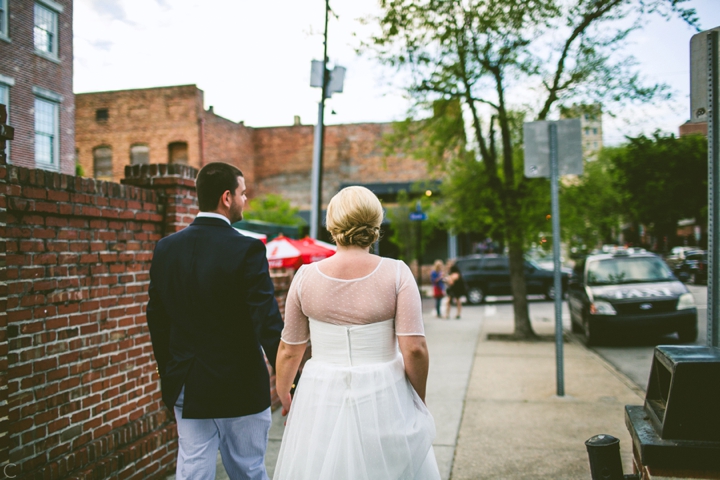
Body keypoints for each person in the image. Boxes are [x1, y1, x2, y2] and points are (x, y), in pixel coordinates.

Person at [273, 186, 440, 480]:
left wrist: (284, 391)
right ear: (375, 223)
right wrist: (417, 399)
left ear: (332, 223)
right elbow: (414, 348)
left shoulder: (305, 277)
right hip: (384, 390)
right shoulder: (397, 273)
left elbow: (290, 349)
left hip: (320, 391)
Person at [147, 162, 283, 480]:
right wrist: (287, 376)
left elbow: (157, 317)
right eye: (242, 193)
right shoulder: (247, 249)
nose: (244, 200)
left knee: (193, 468)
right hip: (240, 385)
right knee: (248, 469)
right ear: (226, 197)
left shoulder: (166, 248)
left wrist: (169, 371)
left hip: (187, 383)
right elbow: (266, 319)